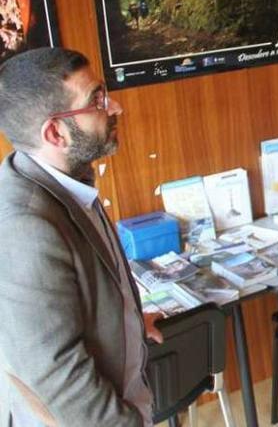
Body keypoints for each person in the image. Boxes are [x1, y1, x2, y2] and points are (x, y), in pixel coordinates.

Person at [0, 48, 163, 426]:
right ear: (55, 133)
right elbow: (56, 376)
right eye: (97, 100)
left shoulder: (67, 177)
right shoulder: (24, 224)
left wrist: (130, 322)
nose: (115, 107)